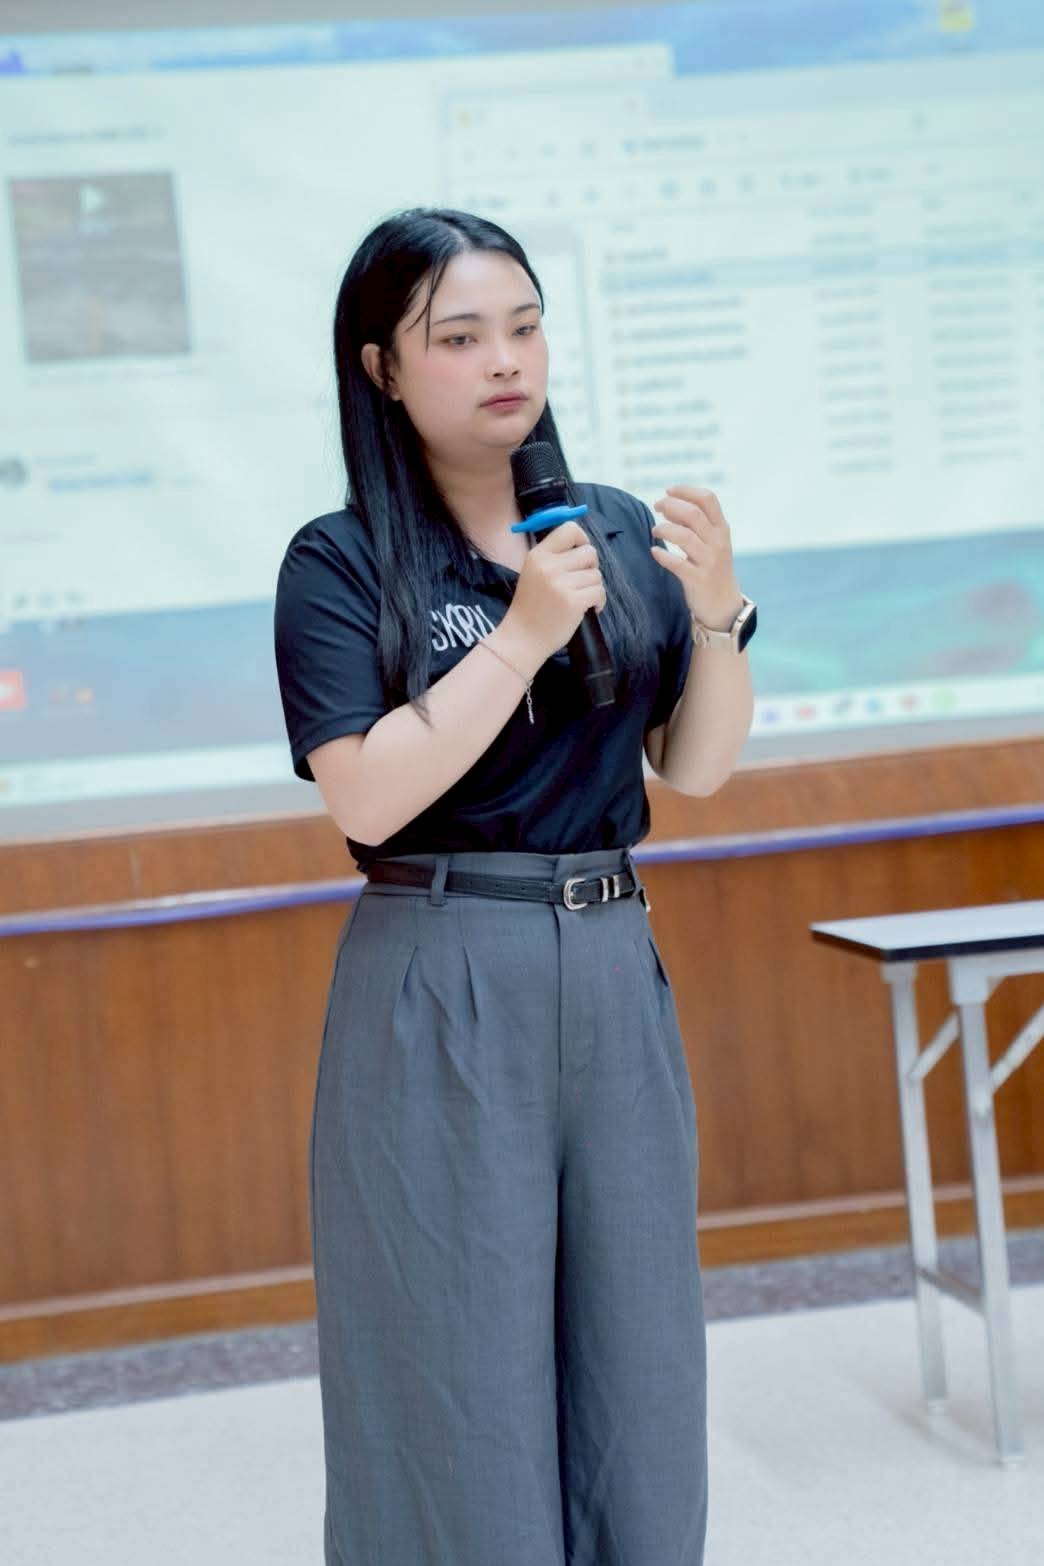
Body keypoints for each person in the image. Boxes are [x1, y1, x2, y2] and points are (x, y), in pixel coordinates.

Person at [273, 206, 755, 1566]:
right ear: (382, 368)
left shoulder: (608, 528)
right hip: (444, 957)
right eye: (462, 336)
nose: (506, 360)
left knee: (640, 1351)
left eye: (526, 327)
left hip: (610, 954)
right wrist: (525, 633)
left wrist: (716, 617)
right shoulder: (341, 560)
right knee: (453, 1353)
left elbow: (694, 768)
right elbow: (366, 796)